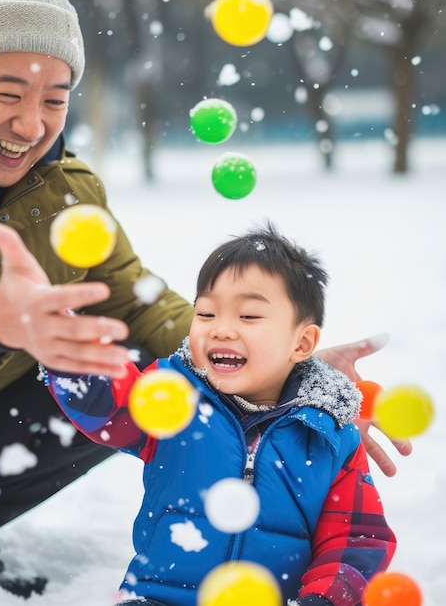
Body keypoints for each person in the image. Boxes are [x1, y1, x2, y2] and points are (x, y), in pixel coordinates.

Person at [0, 0, 408, 597]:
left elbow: (138, 305)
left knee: (130, 374)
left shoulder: (68, 192)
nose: (32, 126)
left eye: (55, 99)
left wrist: (270, 370)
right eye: (8, 93)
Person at [43, 223, 397, 606]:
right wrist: (64, 342)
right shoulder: (171, 397)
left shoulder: (331, 437)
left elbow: (357, 540)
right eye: (206, 313)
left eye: (248, 317)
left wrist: (324, 600)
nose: (221, 330)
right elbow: (107, 405)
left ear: (302, 343)